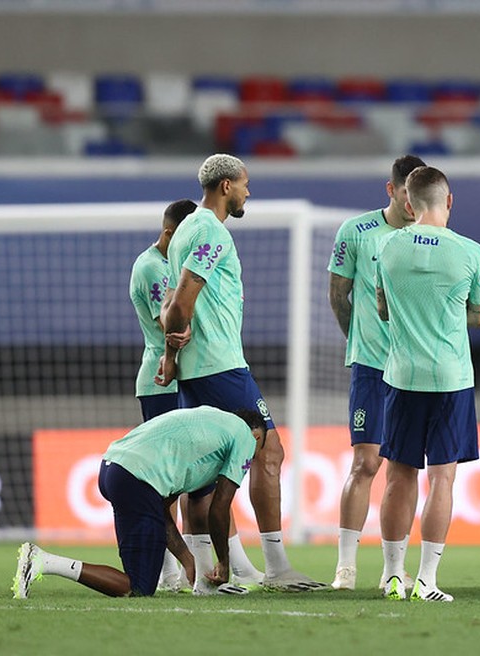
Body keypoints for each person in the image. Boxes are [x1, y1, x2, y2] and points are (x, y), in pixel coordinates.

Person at [158, 154, 323, 592]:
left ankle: (203, 574)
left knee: (204, 473)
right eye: (246, 184)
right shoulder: (210, 231)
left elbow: (169, 304)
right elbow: (182, 301)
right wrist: (173, 352)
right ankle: (277, 566)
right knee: (269, 453)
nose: (249, 192)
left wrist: (172, 356)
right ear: (226, 186)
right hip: (220, 366)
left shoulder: (184, 232)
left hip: (198, 369)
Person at [374, 166, 480, 603]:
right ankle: (428, 580)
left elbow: (383, 309)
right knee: (442, 479)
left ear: (408, 203)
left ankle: (391, 575)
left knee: (398, 477)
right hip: (450, 377)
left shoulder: (387, 246)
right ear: (449, 201)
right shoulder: (469, 251)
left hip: (401, 375)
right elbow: (479, 316)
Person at [12, 406, 266, 599]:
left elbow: (158, 507)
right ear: (255, 438)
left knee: (139, 571)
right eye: (255, 454)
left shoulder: (208, 424)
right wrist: (224, 562)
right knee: (138, 587)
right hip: (137, 479)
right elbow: (220, 507)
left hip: (112, 469)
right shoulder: (244, 436)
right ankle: (44, 561)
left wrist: (186, 558)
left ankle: (44, 561)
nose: (250, 461)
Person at [327, 155, 426, 591]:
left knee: (405, 469)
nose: (412, 203)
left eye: (419, 196)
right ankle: (346, 566)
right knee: (366, 462)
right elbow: (338, 294)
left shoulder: (433, 238)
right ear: (392, 190)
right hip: (371, 366)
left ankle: (395, 566)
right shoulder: (356, 232)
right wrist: (360, 339)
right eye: (406, 194)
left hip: (415, 370)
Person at [128, 197, 197, 592]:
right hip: (160, 381)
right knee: (165, 481)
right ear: (170, 233)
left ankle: (186, 568)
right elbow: (169, 324)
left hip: (176, 378)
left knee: (188, 478)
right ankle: (167, 570)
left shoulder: (171, 264)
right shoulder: (153, 267)